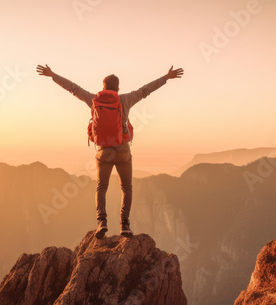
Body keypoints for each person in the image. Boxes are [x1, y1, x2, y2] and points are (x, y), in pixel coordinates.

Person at [36, 64, 184, 238]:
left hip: (103, 152)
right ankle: (124, 225)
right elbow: (145, 90)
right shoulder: (125, 99)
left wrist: (53, 75)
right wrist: (166, 77)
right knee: (127, 188)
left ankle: (102, 222)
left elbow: (73, 88)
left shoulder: (94, 100)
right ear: (118, 88)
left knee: (101, 187)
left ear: (103, 87)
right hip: (122, 151)